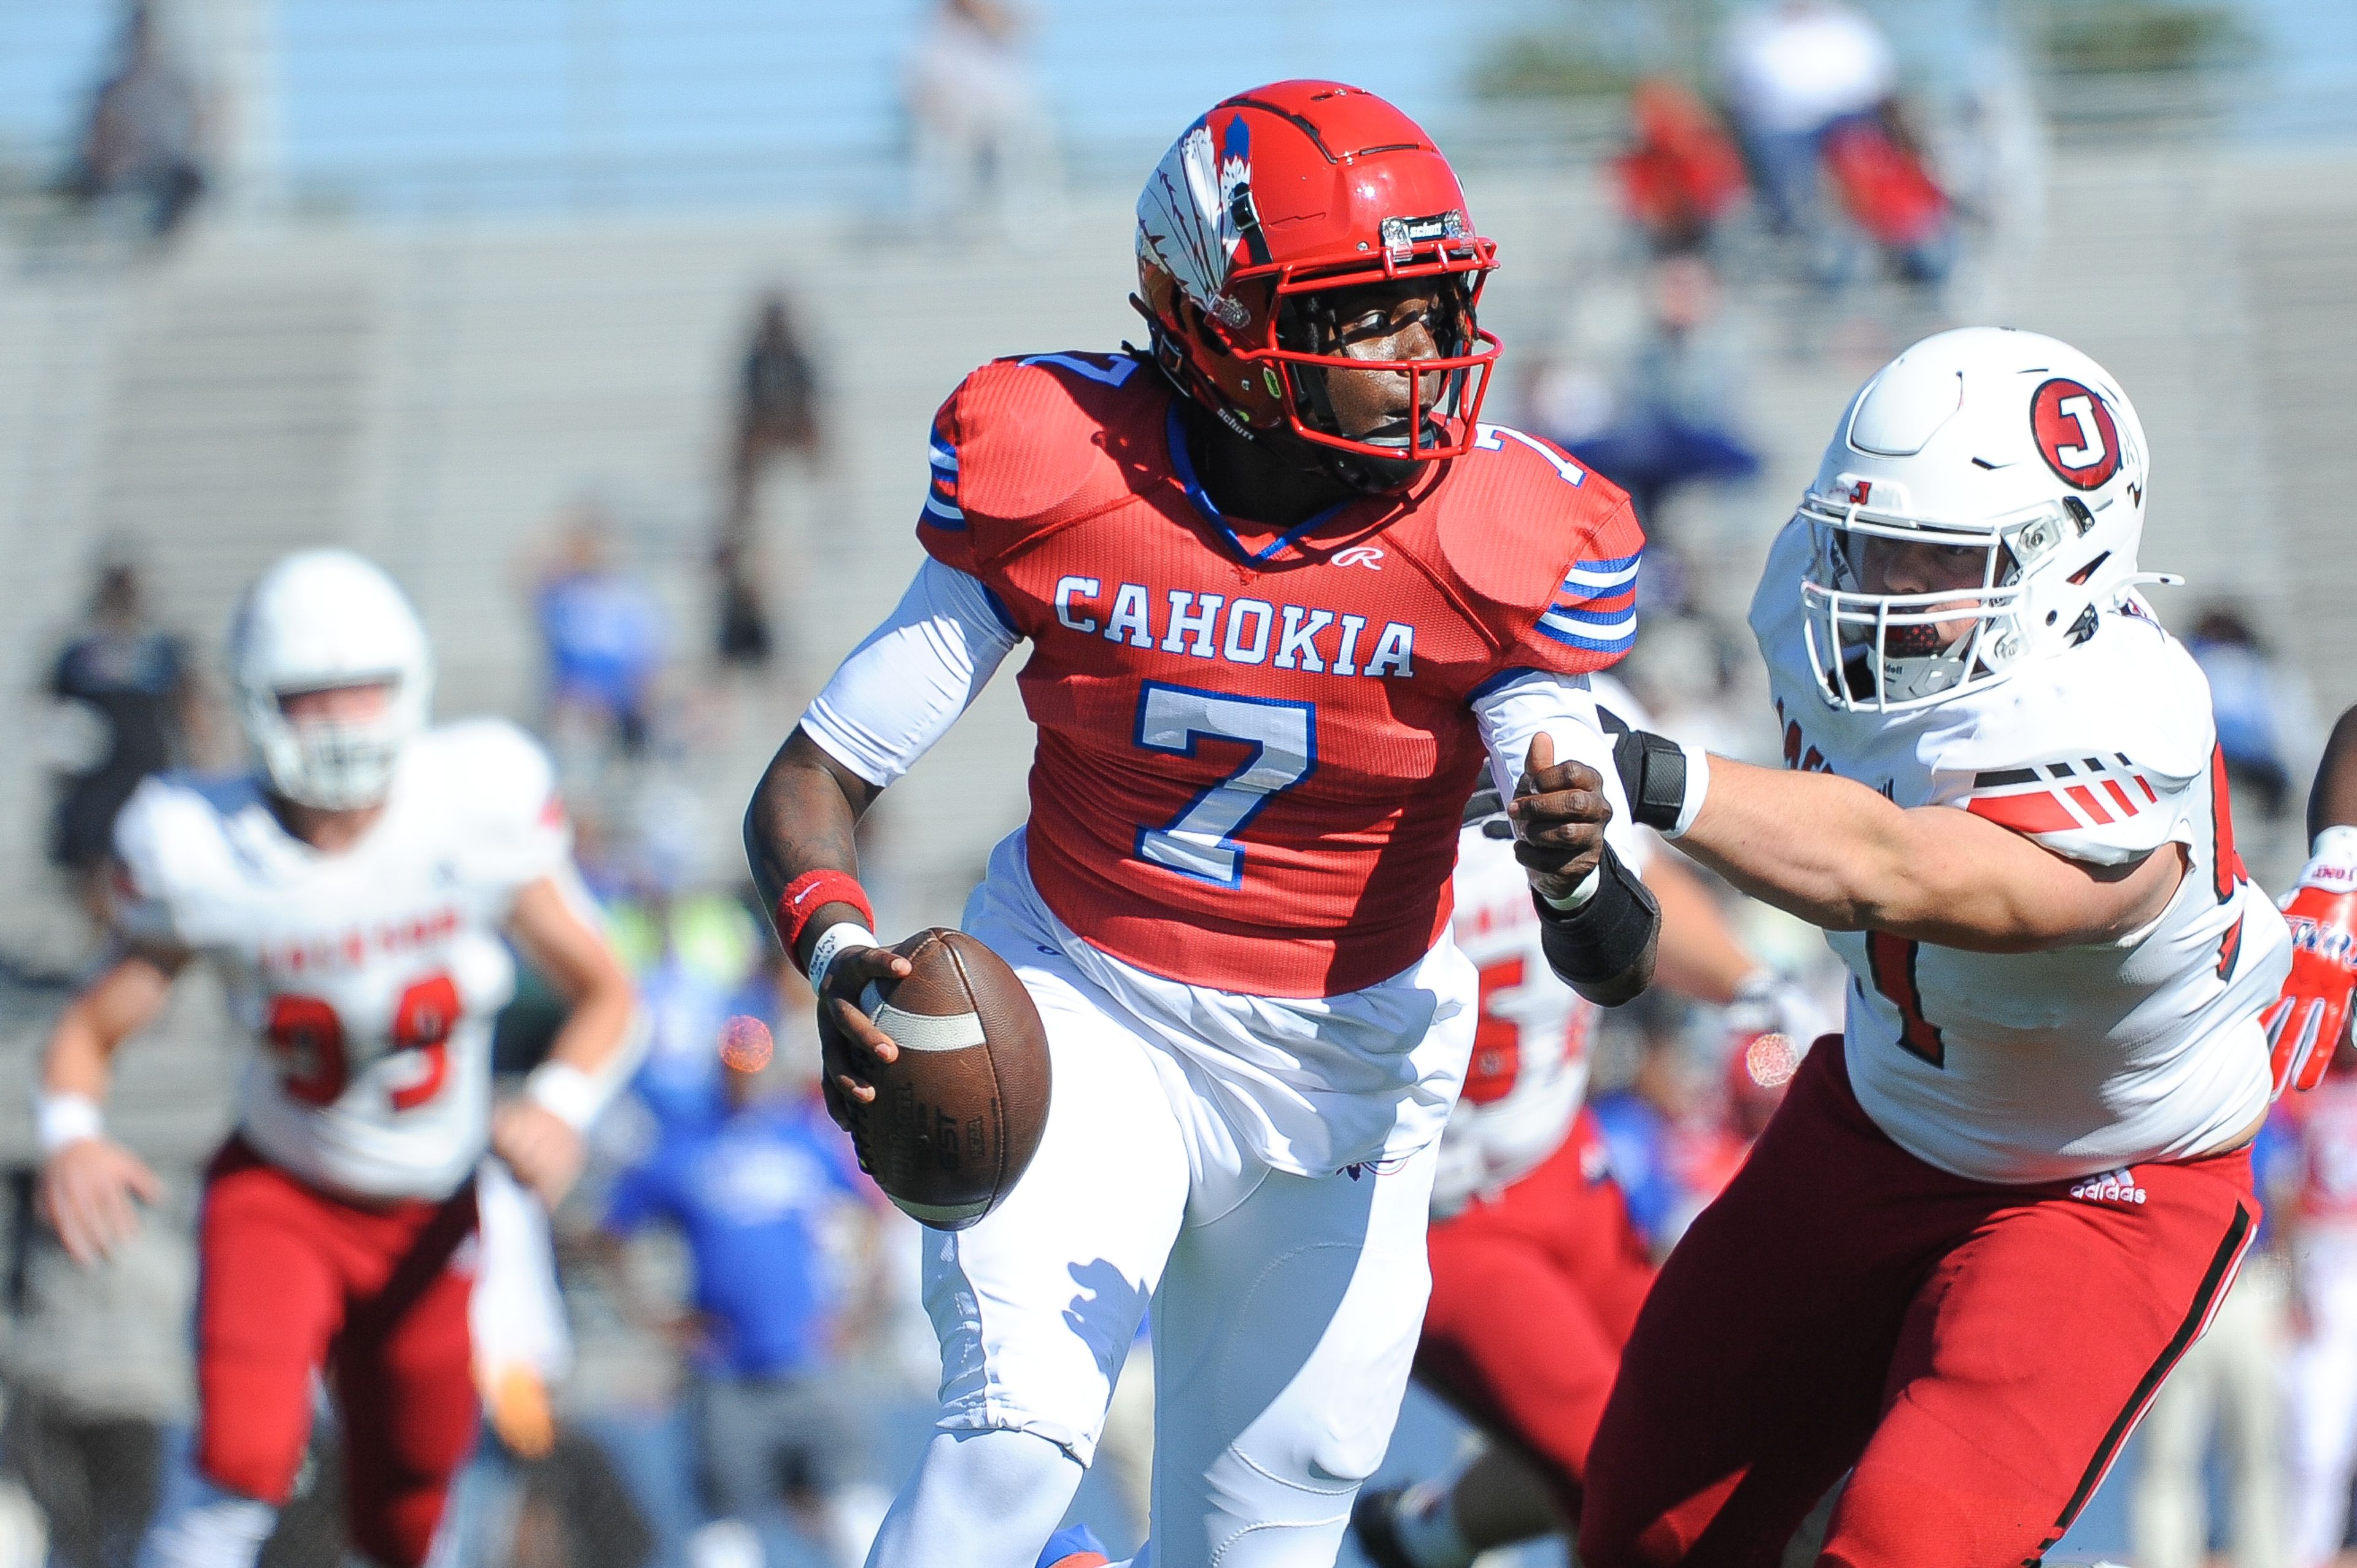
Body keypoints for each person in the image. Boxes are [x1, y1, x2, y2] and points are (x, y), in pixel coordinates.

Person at [741, 80, 1657, 1568]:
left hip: (1341, 1070)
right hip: (1082, 1002)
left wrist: (1572, 870)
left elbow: (1616, 957)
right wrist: (839, 956)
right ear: (1218, 324)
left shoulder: (1497, 536)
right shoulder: (1063, 469)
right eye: (1368, 315)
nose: (1426, 354)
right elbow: (813, 778)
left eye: (1433, 303)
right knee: (1009, 1446)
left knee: (1264, 1543)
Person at [1566, 328, 2299, 1566]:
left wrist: (1652, 772)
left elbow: (1892, 868)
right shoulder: (1817, 596)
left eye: (1934, 559)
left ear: (2061, 564)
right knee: (1647, 1529)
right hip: (1875, 1116)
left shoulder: (2129, 725)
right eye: (1873, 542)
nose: (1882, 585)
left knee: (1911, 1543)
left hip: (2104, 1180)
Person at [32, 549, 643, 1568]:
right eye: (312, 700)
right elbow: (91, 1027)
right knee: (240, 1458)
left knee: (408, 1505)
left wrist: (563, 1103)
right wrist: (71, 1135)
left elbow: (609, 993)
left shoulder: (470, 806)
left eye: (363, 695)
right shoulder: (204, 849)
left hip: (434, 1206)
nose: (343, 725)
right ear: (258, 705)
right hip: (285, 1189)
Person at [1350, 679, 1821, 1568]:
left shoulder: (1570, 701)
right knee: (1644, 1504)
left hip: (1565, 1160)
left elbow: (1638, 881)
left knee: (1726, 1431)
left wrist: (1756, 987)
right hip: (1429, 1212)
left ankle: (1432, 1530)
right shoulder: (1339, 722)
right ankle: (1436, 1530)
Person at [600, 1033, 889, 1568]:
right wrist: (658, 1318)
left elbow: (871, 1211)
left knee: (853, 1504)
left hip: (810, 1359)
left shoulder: (800, 1140)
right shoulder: (685, 1147)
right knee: (725, 1529)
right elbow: (613, 1233)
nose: (747, 1075)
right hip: (727, 1369)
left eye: (755, 1063)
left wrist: (857, 1306)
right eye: (736, 1064)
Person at [44, 562, 203, 927]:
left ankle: (134, 937)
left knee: (145, 867)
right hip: (95, 781)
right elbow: (55, 716)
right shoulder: (78, 656)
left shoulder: (162, 651)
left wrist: (198, 764)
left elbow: (190, 708)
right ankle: (108, 938)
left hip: (147, 776)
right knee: (90, 866)